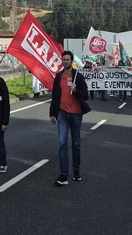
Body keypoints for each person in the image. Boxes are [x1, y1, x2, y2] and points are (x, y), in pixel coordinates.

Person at [50, 50, 89, 187]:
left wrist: (76, 89)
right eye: (64, 59)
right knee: (62, 143)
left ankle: (76, 171)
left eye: (68, 59)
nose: (65, 61)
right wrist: (52, 113)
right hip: (62, 114)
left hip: (76, 114)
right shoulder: (59, 76)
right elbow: (55, 96)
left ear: (72, 61)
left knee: (76, 144)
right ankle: (64, 174)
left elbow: (85, 96)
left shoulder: (78, 77)